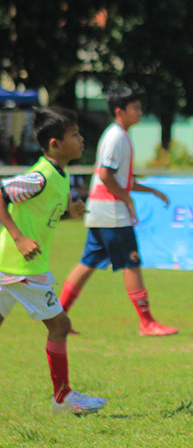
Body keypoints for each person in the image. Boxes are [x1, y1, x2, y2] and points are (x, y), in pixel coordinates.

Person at [0, 107, 108, 414]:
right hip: (23, 269)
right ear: (55, 144)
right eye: (74, 135)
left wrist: (70, 211)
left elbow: (46, 210)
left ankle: (64, 396)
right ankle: (63, 397)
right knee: (60, 325)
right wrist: (19, 238)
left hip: (9, 265)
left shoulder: (61, 175)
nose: (82, 139)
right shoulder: (39, 176)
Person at [58, 86, 178, 336]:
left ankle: (57, 317)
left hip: (101, 211)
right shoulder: (117, 137)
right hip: (112, 213)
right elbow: (106, 174)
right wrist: (127, 200)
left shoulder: (119, 135)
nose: (140, 112)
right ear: (119, 111)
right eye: (135, 108)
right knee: (131, 263)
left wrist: (152, 191)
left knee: (87, 263)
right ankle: (147, 323)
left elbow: (119, 178)